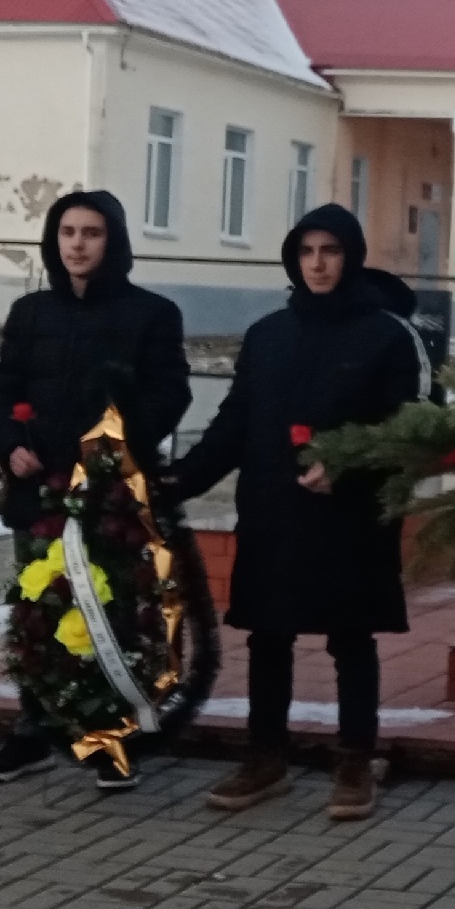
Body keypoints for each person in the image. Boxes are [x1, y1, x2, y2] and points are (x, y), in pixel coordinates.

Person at [171, 205, 424, 822]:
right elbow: (235, 423)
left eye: (330, 250)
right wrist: (178, 480)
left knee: (351, 636)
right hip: (273, 509)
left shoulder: (387, 335)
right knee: (269, 635)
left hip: (350, 515)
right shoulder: (267, 334)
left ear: (352, 256)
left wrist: (347, 465)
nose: (317, 263)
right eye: (306, 250)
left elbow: (408, 429)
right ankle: (265, 758)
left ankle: (356, 760)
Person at [0, 190, 191, 790]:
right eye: (67, 232)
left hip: (108, 496)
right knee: (38, 609)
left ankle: (107, 729)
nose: (77, 244)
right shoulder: (34, 312)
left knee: (108, 610)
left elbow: (171, 393)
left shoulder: (151, 314)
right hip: (37, 486)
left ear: (112, 241)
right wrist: (9, 442)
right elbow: (5, 386)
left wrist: (115, 448)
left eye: (91, 233)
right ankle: (32, 730)